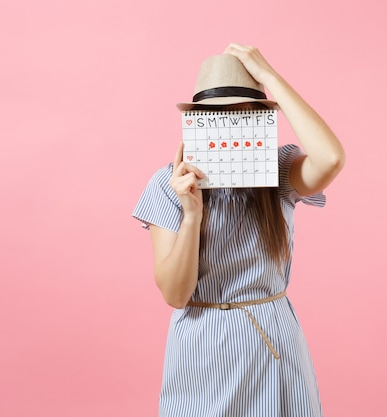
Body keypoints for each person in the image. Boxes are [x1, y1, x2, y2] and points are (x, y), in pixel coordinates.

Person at [132, 42, 345, 417]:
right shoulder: (167, 184)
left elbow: (330, 159)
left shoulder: (279, 172)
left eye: (243, 114)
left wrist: (270, 78)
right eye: (216, 115)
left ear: (261, 117)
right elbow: (175, 294)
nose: (229, 125)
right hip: (200, 346)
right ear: (196, 119)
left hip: (271, 340)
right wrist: (192, 213)